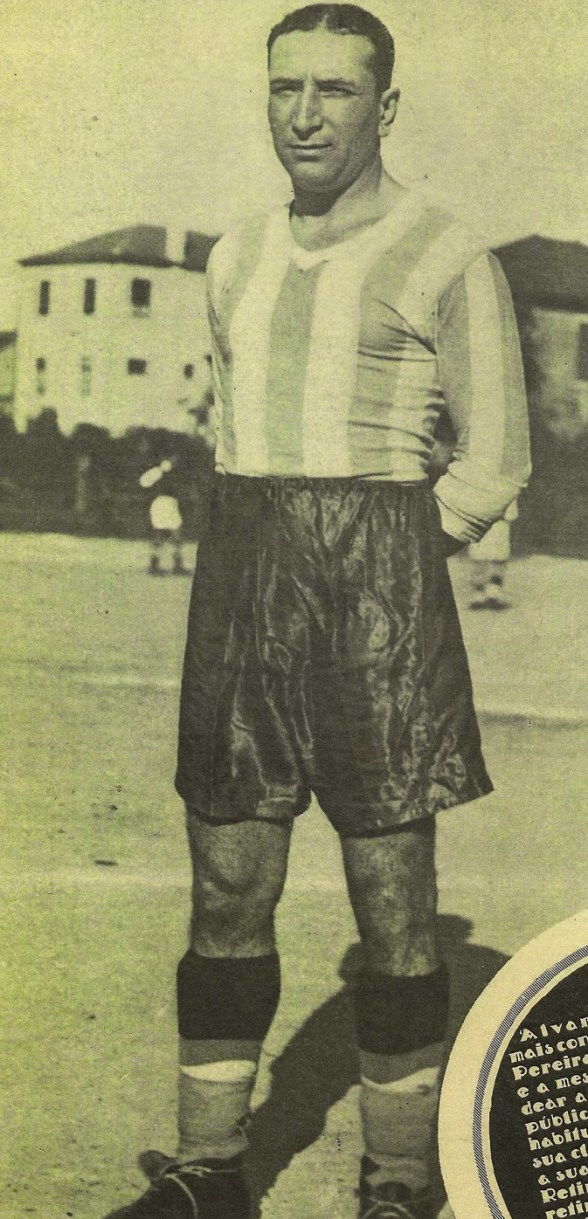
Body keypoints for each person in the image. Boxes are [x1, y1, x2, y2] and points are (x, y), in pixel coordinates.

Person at [105, 6, 530, 1217]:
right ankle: (210, 1168)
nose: (304, 115)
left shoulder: (448, 254)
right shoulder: (235, 254)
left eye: (335, 91)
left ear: (383, 107)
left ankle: (396, 1180)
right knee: (227, 886)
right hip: (245, 583)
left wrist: (386, 565)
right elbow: (235, 429)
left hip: (377, 593)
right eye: (285, 88)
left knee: (392, 904)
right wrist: (277, 555)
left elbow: (496, 459)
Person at [139, 458, 189, 576]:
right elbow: (143, 482)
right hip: (161, 503)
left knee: (176, 534)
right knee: (160, 533)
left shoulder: (177, 473)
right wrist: (160, 470)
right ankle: (154, 565)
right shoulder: (159, 471)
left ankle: (177, 565)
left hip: (172, 503)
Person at [468, 500, 519, 610]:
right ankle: (479, 594)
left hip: (499, 525)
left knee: (498, 557)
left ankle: (493, 592)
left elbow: (511, 512)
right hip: (479, 524)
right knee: (479, 558)